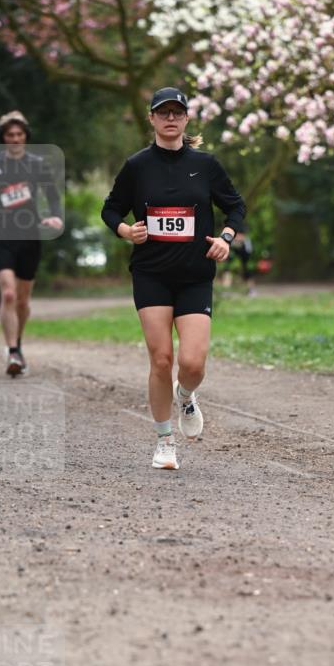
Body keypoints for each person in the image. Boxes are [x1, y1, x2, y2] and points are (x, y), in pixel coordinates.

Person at [102, 87, 246, 471]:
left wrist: (226, 239)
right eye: (162, 112)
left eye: (176, 113)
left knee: (193, 363)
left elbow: (235, 207)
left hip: (195, 275)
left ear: (186, 119)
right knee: (161, 359)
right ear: (151, 118)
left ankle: (187, 395)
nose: (170, 118)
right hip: (151, 274)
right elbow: (111, 208)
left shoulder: (206, 164)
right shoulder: (137, 166)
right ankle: (165, 440)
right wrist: (124, 230)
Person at [0, 111, 63, 376]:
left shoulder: (37, 165)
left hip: (30, 235)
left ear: (26, 137)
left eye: (19, 135)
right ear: (3, 138)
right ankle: (11, 351)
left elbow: (52, 197)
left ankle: (18, 345)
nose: (15, 139)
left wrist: (54, 216)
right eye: (10, 135)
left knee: (22, 300)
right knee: (7, 293)